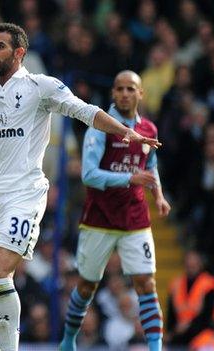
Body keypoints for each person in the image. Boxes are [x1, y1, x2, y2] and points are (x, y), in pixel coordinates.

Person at [0, 23, 161, 351]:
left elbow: (85, 111)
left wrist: (125, 132)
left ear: (19, 52)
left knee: (1, 273)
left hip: (24, 194)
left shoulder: (40, 87)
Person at [58, 70, 171, 351]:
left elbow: (150, 165)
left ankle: (155, 348)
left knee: (146, 282)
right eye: (119, 88)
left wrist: (158, 195)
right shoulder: (101, 128)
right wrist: (131, 179)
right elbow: (89, 175)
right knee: (87, 286)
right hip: (99, 219)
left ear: (140, 94)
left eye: (130, 89)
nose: (124, 93)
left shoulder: (149, 130)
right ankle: (69, 340)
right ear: (113, 93)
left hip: (135, 218)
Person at [166, 250, 214, 346]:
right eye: (189, 263)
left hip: (201, 332)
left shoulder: (209, 283)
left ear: (200, 264)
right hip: (179, 334)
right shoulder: (176, 284)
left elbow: (208, 314)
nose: (191, 266)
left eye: (194, 263)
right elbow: (170, 314)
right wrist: (173, 330)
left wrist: (189, 326)